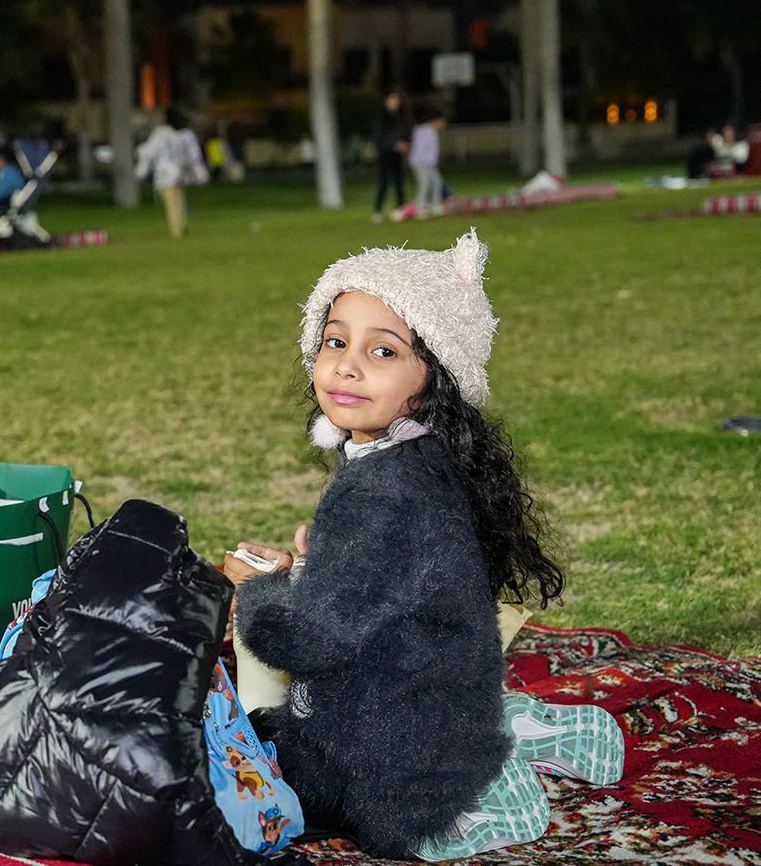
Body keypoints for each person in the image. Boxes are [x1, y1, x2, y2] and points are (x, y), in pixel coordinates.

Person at [223, 232, 622, 861]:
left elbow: (307, 640)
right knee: (266, 744)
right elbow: (386, 586)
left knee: (308, 803)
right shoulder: (415, 456)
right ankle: (498, 729)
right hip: (421, 692)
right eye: (335, 341)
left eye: (382, 351)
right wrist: (315, 569)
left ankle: (484, 791)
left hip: (396, 743)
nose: (347, 365)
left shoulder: (383, 491)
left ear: (435, 376)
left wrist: (259, 592)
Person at [136, 108, 208, 238]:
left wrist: (142, 170)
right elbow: (194, 156)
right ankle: (179, 226)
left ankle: (177, 228)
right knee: (177, 200)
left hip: (166, 174)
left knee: (173, 202)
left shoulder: (162, 133)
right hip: (176, 173)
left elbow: (148, 152)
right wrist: (199, 173)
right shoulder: (184, 134)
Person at [372, 91, 411, 223]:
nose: (394, 104)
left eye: (396, 101)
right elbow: (379, 138)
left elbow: (406, 133)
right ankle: (377, 210)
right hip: (385, 155)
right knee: (383, 182)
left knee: (399, 182)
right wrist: (394, 145)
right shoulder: (382, 118)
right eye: (392, 101)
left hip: (397, 156)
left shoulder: (402, 117)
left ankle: (401, 209)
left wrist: (405, 144)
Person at [409, 111, 447, 218]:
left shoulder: (431, 131)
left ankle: (436, 207)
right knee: (425, 184)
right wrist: (426, 162)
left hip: (429, 163)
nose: (443, 125)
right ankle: (420, 209)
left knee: (437, 182)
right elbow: (420, 148)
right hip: (421, 162)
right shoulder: (424, 130)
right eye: (442, 122)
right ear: (436, 121)